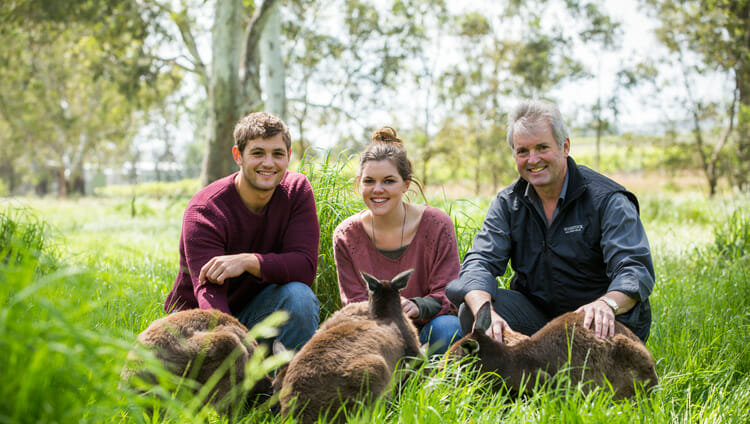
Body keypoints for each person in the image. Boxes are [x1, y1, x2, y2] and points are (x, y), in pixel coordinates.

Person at [446, 99, 655, 343]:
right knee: (475, 311)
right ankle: (522, 378)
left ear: (564, 146)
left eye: (542, 147)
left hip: (599, 319)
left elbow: (634, 269)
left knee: (590, 348)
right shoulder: (508, 203)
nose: (533, 159)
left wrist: (607, 304)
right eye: (522, 151)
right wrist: (486, 311)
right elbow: (479, 262)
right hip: (540, 318)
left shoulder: (607, 200)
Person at [164, 112, 320, 350]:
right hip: (199, 324)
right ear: (239, 155)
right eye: (258, 153)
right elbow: (209, 298)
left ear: (288, 157)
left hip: (259, 310)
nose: (268, 163)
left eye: (277, 154)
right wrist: (241, 348)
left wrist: (249, 262)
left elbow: (304, 269)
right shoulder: (205, 208)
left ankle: (291, 383)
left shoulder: (296, 190)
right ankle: (252, 374)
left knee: (299, 297)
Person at [333, 126, 462, 355]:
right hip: (376, 333)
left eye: (389, 181)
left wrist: (416, 306)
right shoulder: (346, 235)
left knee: (449, 328)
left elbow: (447, 294)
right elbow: (354, 303)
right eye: (369, 181)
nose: (378, 190)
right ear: (359, 184)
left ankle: (431, 383)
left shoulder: (437, 225)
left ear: (406, 184)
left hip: (428, 329)